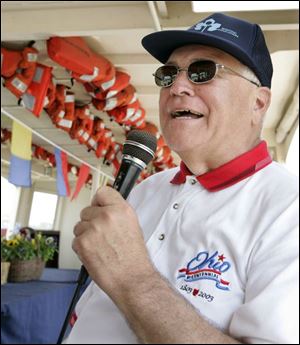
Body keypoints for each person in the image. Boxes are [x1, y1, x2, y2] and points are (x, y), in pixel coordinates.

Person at [66, 13, 299, 344]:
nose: (176, 87)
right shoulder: (145, 190)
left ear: (258, 103)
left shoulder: (288, 209)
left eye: (203, 72)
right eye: (167, 74)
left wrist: (134, 278)